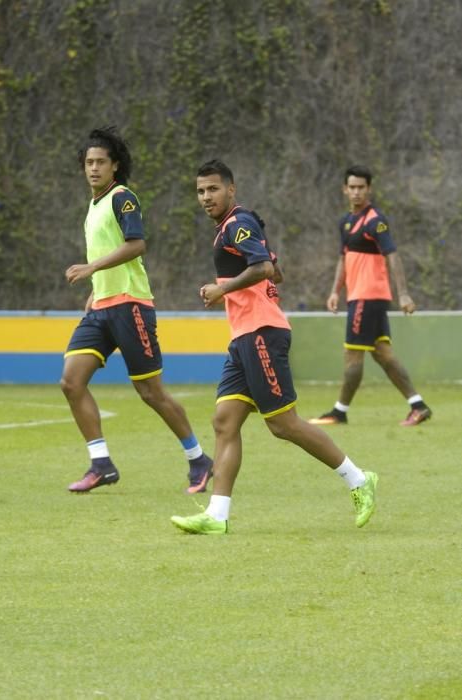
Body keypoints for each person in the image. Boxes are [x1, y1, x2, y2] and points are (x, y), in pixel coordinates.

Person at [171, 159, 377, 535]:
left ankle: (359, 479)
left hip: (262, 333)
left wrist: (222, 288)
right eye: (200, 191)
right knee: (224, 421)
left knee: (283, 424)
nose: (206, 197)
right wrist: (244, 281)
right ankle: (217, 516)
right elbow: (274, 270)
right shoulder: (234, 227)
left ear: (230, 190)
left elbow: (264, 268)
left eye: (213, 189)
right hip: (243, 336)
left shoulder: (237, 222)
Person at [61, 126, 212, 494]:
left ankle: (198, 459)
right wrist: (96, 290)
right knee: (71, 381)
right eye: (88, 162)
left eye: (100, 162)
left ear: (114, 166)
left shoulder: (122, 198)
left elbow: (137, 244)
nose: (93, 168)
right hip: (101, 308)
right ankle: (101, 464)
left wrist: (93, 268)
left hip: (130, 306)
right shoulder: (93, 206)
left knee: (151, 393)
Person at [309, 164, 432, 427]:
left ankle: (339, 412)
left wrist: (405, 294)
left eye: (361, 188)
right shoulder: (345, 222)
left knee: (353, 355)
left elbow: (393, 256)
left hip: (369, 297)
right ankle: (418, 405)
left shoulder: (376, 221)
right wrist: (335, 291)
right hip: (358, 296)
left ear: (369, 189)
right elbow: (343, 258)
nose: (356, 192)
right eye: (351, 187)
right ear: (344, 189)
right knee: (383, 354)